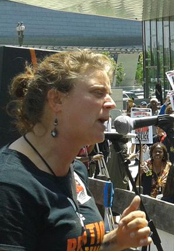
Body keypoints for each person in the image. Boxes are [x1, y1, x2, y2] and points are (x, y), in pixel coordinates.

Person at [0, 50, 151, 249]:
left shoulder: (76, 172)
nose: (111, 103)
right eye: (98, 92)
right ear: (56, 100)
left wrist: (116, 240)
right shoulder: (10, 186)